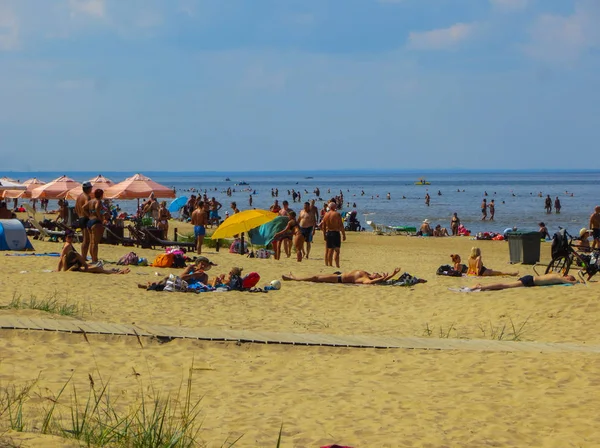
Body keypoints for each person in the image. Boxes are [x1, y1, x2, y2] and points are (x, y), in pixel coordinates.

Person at [57, 231, 130, 274]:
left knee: (97, 267)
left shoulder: (69, 244)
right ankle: (116, 273)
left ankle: (115, 271)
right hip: (74, 267)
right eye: (69, 237)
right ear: (65, 237)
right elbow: (62, 258)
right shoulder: (67, 246)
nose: (71, 238)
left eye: (72, 237)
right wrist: (59, 270)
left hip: (77, 264)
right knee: (96, 268)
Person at [282, 267, 402, 284]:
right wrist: (388, 276)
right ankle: (295, 276)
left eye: (377, 274)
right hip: (338, 274)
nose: (376, 273)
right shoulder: (367, 274)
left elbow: (371, 283)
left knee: (315, 278)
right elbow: (380, 280)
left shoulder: (365, 279)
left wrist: (390, 275)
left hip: (338, 279)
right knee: (316, 276)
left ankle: (294, 279)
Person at [471, 273, 577, 291]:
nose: (568, 280)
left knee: (506, 285)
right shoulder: (558, 277)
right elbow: (570, 283)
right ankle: (482, 287)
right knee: (505, 286)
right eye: (569, 278)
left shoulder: (556, 275)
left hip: (530, 279)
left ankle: (483, 287)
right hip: (529, 280)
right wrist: (575, 282)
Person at [82, 189, 107, 263]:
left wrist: (89, 215)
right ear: (101, 195)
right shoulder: (98, 201)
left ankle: (93, 259)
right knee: (95, 243)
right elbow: (96, 208)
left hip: (90, 221)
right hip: (96, 222)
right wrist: (100, 218)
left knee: (91, 242)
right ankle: (94, 259)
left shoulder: (91, 201)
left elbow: (83, 208)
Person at [321, 202, 346, 268]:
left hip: (328, 232)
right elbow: (341, 225)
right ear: (334, 207)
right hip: (335, 233)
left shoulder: (326, 214)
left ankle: (330, 264)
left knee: (330, 250)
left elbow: (323, 226)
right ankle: (337, 265)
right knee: (337, 250)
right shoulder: (336, 214)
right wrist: (343, 234)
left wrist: (324, 235)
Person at [75, 181, 93, 260]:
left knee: (85, 239)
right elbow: (85, 206)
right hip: (85, 218)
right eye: (91, 188)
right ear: (88, 189)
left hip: (80, 218)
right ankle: (84, 257)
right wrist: (89, 215)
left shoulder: (79, 197)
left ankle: (83, 256)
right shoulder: (87, 197)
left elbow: (76, 208)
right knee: (87, 240)